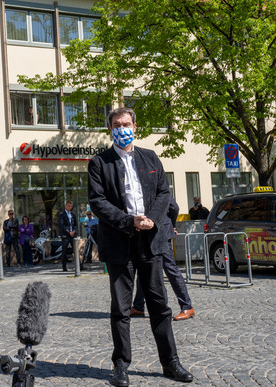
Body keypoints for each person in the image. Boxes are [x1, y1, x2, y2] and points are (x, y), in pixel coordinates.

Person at [88, 107, 193, 386]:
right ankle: (120, 365)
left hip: (150, 242)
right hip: (119, 243)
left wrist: (152, 221)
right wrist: (129, 221)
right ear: (110, 129)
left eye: (125, 124)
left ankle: (171, 363)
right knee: (121, 309)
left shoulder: (150, 158)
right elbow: (98, 202)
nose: (121, 128)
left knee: (159, 306)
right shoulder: (100, 162)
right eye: (115, 124)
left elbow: (163, 193)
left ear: (135, 126)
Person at [131, 197, 195, 321]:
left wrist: (171, 225)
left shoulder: (155, 182)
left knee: (170, 268)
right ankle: (138, 306)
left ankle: (187, 306)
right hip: (146, 233)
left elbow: (174, 207)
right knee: (144, 268)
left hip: (162, 232)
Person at [58, 200, 77, 272]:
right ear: (66, 206)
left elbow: (75, 225)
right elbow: (62, 225)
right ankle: (64, 266)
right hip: (65, 236)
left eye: (71, 206)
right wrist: (69, 232)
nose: (70, 207)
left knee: (75, 250)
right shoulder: (61, 214)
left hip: (72, 235)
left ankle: (79, 265)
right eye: (69, 206)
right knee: (64, 251)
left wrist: (74, 231)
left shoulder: (73, 215)